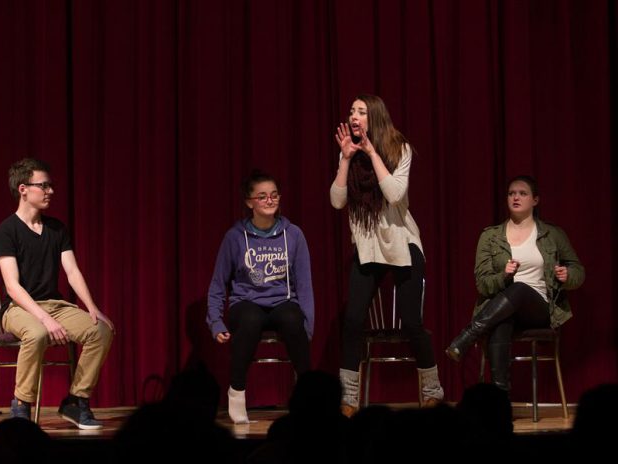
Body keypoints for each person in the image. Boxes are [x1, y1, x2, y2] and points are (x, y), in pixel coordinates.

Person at [330, 94, 443, 415]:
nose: (353, 116)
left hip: (402, 242)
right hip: (367, 245)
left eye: (361, 112)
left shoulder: (398, 148)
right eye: (351, 111)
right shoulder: (348, 154)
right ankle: (348, 399)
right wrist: (346, 159)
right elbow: (337, 201)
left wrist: (371, 152)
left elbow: (394, 194)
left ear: (375, 117)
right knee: (352, 322)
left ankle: (433, 390)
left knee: (411, 322)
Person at [0, 158, 115, 430]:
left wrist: (91, 306)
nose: (50, 191)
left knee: (101, 330)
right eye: (43, 185)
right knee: (36, 333)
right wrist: (44, 320)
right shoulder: (7, 230)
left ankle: (76, 400)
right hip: (18, 308)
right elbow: (12, 286)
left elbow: (72, 271)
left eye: (51, 185)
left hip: (55, 305)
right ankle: (21, 405)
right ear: (23, 189)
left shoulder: (56, 229)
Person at [446, 175, 584, 392]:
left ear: (535, 200)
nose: (516, 197)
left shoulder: (552, 234)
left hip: (539, 309)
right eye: (511, 194)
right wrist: (503, 275)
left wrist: (568, 275)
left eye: (522, 193)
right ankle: (501, 400)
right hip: (502, 310)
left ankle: (469, 334)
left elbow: (578, 270)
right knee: (501, 323)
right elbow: (482, 285)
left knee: (519, 289)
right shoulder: (490, 237)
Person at [207, 170, 314, 424]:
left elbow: (305, 285)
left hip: (281, 302)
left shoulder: (294, 235)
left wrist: (307, 324)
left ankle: (306, 399)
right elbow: (218, 284)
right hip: (246, 304)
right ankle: (237, 391)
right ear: (249, 202)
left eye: (274, 195)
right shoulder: (235, 237)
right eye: (262, 196)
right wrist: (215, 322)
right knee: (251, 319)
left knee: (291, 317)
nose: (270, 200)